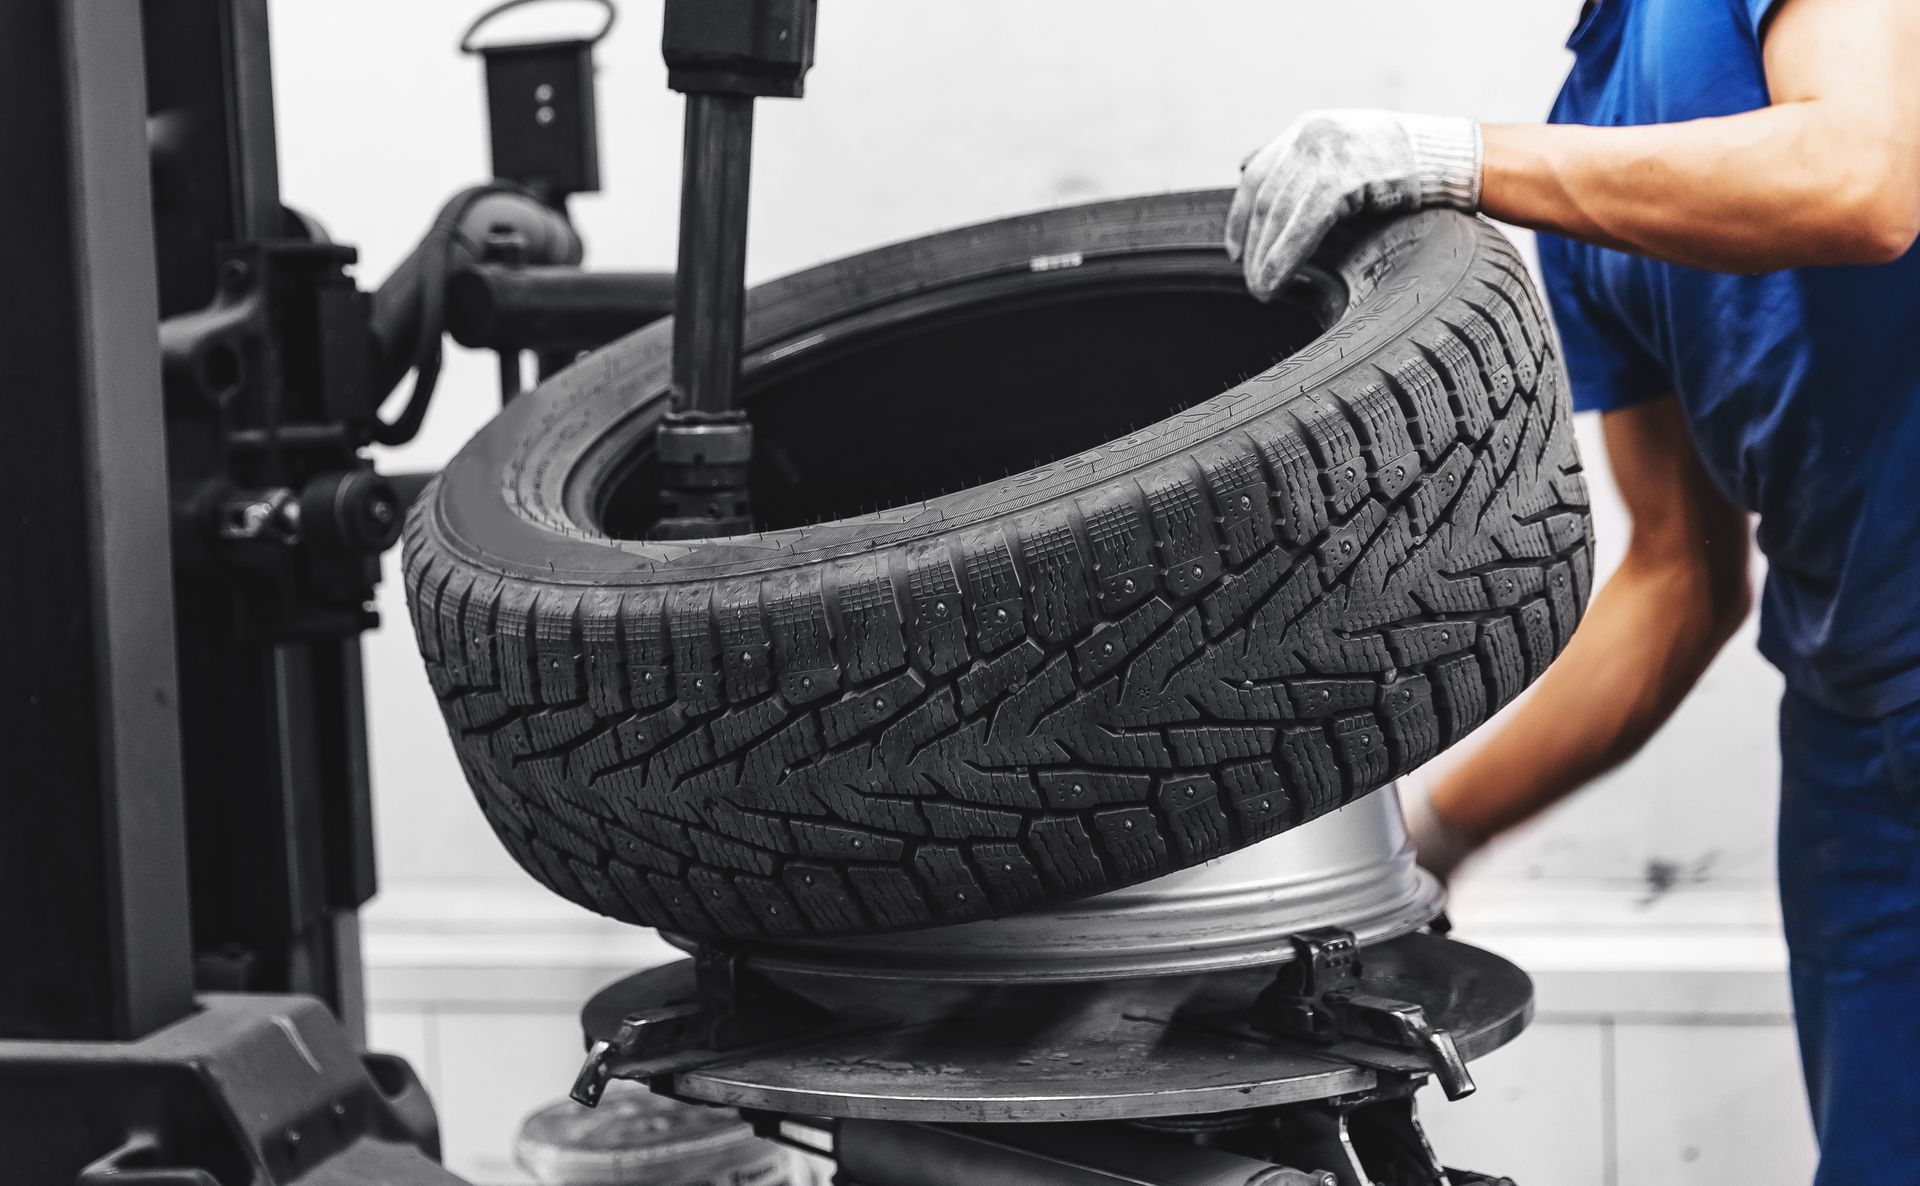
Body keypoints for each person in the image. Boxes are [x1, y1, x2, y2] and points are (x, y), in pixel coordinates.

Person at [1226, 0, 1920, 1180]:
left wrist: (1457, 157)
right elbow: (1679, 579)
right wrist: (1420, 844)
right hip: (1855, 761)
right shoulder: (1590, 145)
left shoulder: (1557, 145)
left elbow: (1863, 175)